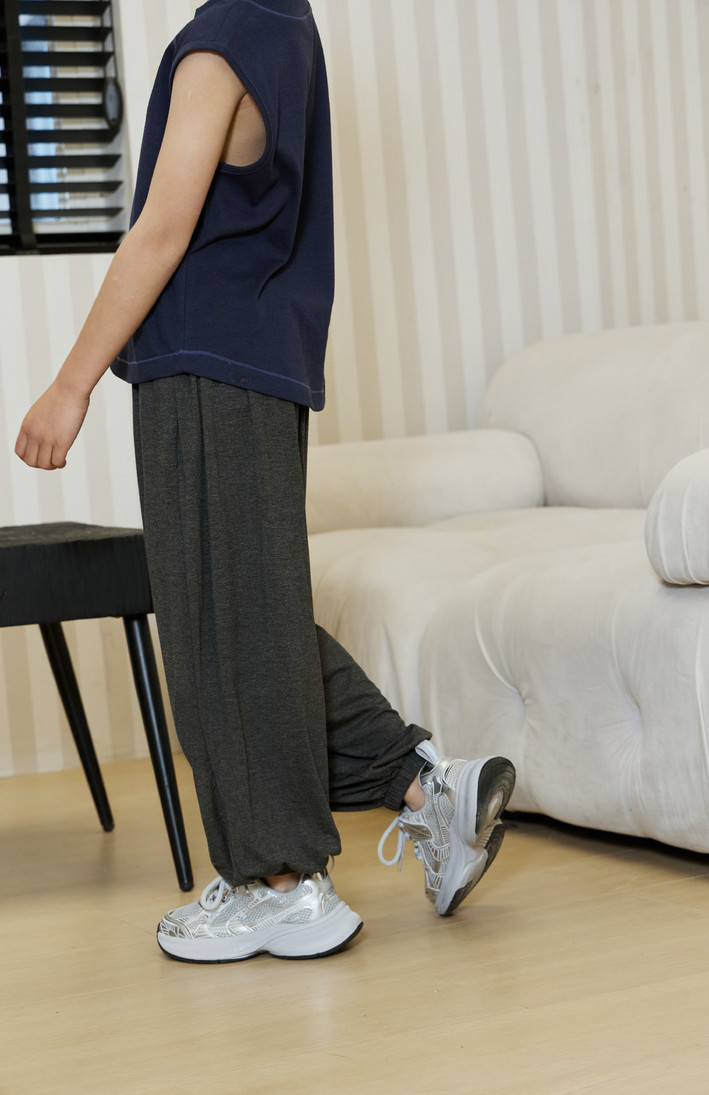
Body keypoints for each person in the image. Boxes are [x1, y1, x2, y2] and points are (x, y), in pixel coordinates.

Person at [14, 0, 516, 963]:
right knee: (249, 616)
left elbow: (163, 228)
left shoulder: (224, 39)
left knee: (221, 625)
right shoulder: (287, 26)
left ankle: (282, 884)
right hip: (260, 363)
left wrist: (70, 385)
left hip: (205, 365)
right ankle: (428, 788)